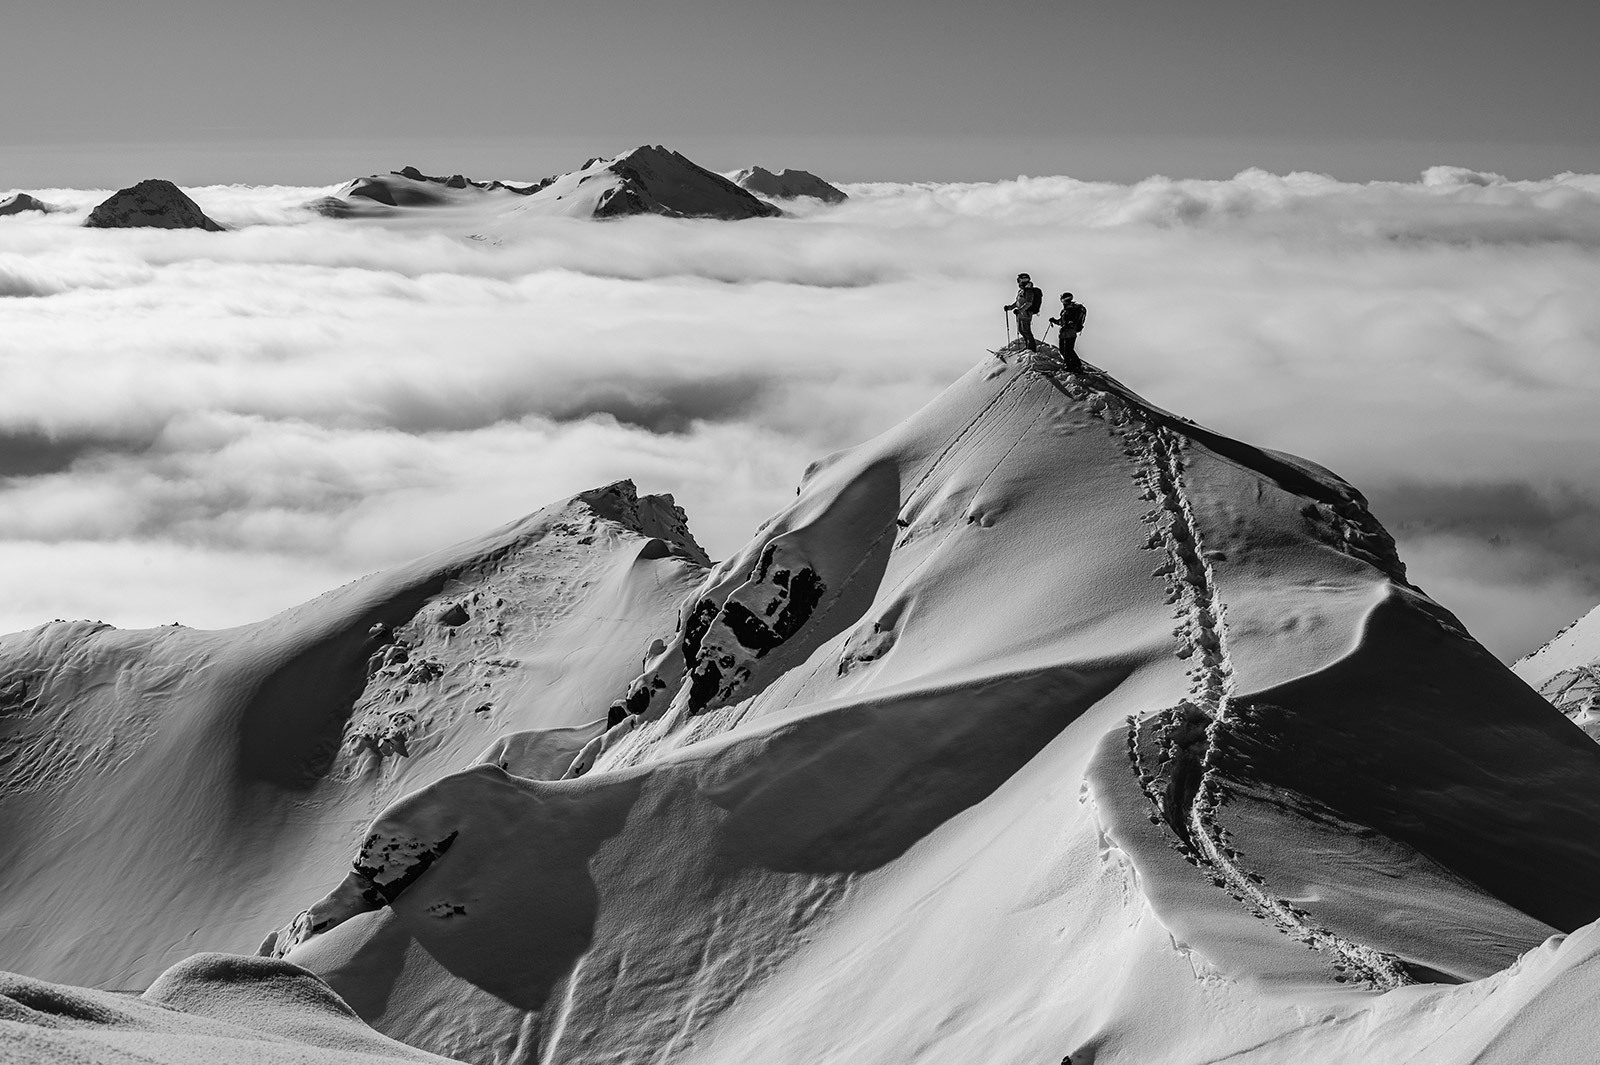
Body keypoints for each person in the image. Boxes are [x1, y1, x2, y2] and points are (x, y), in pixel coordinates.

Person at [1003, 273, 1043, 352]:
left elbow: (1028, 303)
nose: (1018, 282)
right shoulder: (1022, 291)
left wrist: (1019, 310)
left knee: (1026, 331)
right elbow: (1018, 302)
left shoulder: (1028, 291)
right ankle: (1028, 347)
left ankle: (1032, 348)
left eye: (1019, 280)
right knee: (1021, 330)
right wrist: (1010, 307)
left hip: (1026, 313)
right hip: (1020, 314)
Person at [1050, 292, 1087, 372]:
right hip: (1067, 333)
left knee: (1067, 350)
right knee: (1066, 350)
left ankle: (1072, 366)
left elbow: (1068, 322)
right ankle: (1075, 366)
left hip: (1068, 332)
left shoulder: (1070, 310)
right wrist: (1055, 321)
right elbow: (1062, 322)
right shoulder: (1067, 310)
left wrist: (1062, 324)